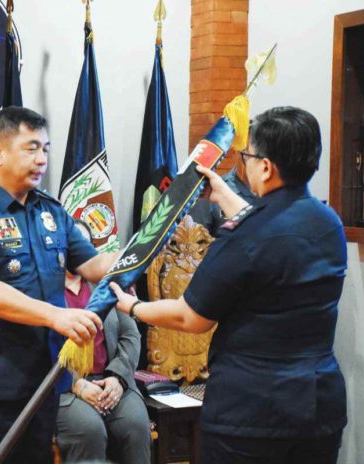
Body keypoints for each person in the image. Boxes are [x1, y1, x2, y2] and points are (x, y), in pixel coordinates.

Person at [111, 106, 347, 464]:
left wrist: (133, 307)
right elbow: (274, 231)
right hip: (317, 405)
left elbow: (192, 317)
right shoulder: (329, 224)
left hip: (254, 411)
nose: (244, 164)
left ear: (266, 167)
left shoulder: (243, 237)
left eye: (247, 156)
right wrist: (222, 194)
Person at [0, 106, 117, 464]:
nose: (42, 159)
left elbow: (95, 266)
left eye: (46, 149)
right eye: (31, 147)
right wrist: (55, 316)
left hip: (44, 379)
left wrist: (144, 247)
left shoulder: (51, 212)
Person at [56, 220, 150, 464]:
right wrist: (77, 385)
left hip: (110, 379)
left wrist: (118, 378)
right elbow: (37, 348)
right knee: (89, 429)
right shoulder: (46, 289)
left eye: (85, 246)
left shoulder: (108, 285)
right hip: (65, 387)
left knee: (136, 425)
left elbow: (130, 336)